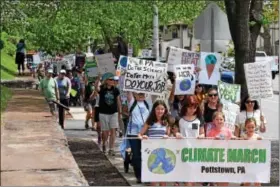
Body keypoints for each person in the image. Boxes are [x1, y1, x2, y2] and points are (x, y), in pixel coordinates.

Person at [138, 100, 170, 186]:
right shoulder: (149, 122)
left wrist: (168, 137)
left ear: (165, 110)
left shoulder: (166, 122)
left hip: (163, 153)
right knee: (153, 178)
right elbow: (139, 134)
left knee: (163, 179)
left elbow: (169, 136)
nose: (160, 111)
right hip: (152, 154)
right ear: (154, 110)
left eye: (162, 109)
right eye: (158, 109)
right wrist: (143, 137)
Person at [126, 92, 151, 184]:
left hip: (146, 133)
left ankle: (146, 176)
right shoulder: (132, 102)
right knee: (137, 156)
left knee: (146, 155)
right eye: (139, 93)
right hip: (133, 134)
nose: (141, 94)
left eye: (143, 93)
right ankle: (139, 176)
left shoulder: (148, 102)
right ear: (134, 94)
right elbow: (128, 91)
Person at [95, 72, 122, 156]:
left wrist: (120, 112)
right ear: (106, 80)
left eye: (113, 79)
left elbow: (118, 101)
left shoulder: (116, 90)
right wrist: (98, 78)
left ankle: (111, 148)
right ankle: (104, 144)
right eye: (110, 79)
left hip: (113, 113)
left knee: (113, 130)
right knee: (105, 132)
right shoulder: (102, 88)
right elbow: (96, 88)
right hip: (103, 113)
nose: (112, 81)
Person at [240, 118, 262, 186]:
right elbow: (239, 146)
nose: (250, 129)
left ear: (255, 127)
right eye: (248, 127)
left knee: (257, 180)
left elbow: (263, 147)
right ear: (245, 127)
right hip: (246, 162)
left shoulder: (257, 136)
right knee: (247, 181)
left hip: (256, 162)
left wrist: (261, 141)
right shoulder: (243, 136)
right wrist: (242, 141)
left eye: (252, 127)